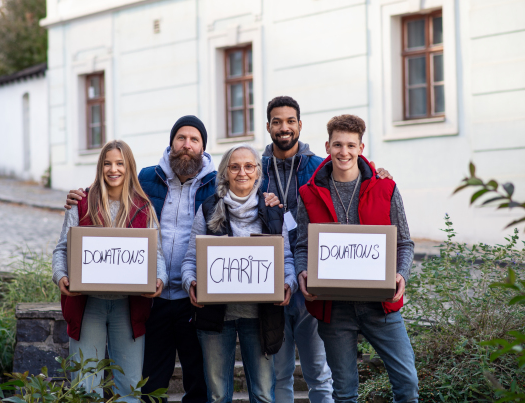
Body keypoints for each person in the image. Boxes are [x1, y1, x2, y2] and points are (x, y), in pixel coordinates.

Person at [64, 115, 281, 402]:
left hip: (195, 299)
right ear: (171, 143)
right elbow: (114, 192)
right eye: (181, 138)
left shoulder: (214, 186)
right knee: (152, 380)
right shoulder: (146, 178)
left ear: (203, 147)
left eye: (194, 140)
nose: (186, 145)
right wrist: (80, 195)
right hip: (152, 297)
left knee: (199, 381)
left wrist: (270, 199)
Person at [261, 96, 392, 402]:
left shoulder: (318, 165)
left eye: (290, 121)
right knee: (280, 373)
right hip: (273, 280)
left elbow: (353, 171)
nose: (284, 128)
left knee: (318, 372)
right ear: (269, 126)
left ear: (299, 125)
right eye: (277, 122)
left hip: (314, 278)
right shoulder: (257, 169)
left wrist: (377, 171)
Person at [295, 114, 419, 402]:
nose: (344, 152)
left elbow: (404, 242)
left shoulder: (385, 188)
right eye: (338, 145)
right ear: (327, 147)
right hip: (333, 308)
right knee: (345, 392)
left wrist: (401, 273)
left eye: (351, 145)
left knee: (407, 383)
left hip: (381, 305)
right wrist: (302, 272)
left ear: (361, 148)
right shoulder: (308, 194)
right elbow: (302, 245)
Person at [180, 144, 298, 403]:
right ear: (225, 173)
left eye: (248, 166)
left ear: (258, 172)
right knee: (218, 395)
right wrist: (191, 282)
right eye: (234, 167)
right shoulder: (208, 208)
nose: (241, 172)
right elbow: (191, 258)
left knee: (264, 394)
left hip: (260, 317)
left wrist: (289, 283)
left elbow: (287, 259)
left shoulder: (273, 210)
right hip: (215, 317)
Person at [52, 140, 168, 402]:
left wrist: (160, 279)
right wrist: (60, 275)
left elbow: (156, 254)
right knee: (85, 385)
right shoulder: (81, 204)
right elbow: (61, 249)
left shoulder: (143, 207)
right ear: (100, 167)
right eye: (107, 163)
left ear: (129, 167)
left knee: (129, 388)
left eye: (119, 163)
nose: (113, 169)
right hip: (88, 304)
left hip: (129, 307)